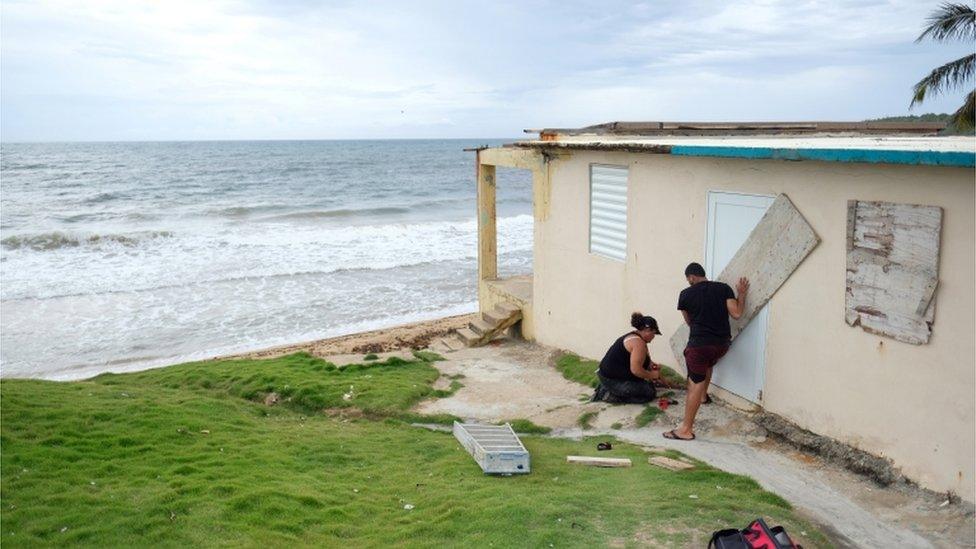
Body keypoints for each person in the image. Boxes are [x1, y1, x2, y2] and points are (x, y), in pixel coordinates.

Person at [664, 262, 748, 441]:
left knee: (694, 383)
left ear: (691, 277)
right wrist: (741, 294)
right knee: (708, 364)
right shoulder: (723, 288)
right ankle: (703, 397)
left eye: (688, 280)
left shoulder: (685, 295)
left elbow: (689, 322)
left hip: (699, 346)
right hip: (721, 346)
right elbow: (737, 314)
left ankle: (685, 429)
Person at [591, 312, 662, 403]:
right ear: (647, 330)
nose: (653, 337)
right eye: (654, 333)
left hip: (607, 375)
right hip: (612, 380)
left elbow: (642, 359)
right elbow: (636, 370)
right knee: (649, 392)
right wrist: (652, 375)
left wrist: (651, 365)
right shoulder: (638, 343)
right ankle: (609, 395)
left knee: (646, 385)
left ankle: (609, 389)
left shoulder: (635, 337)